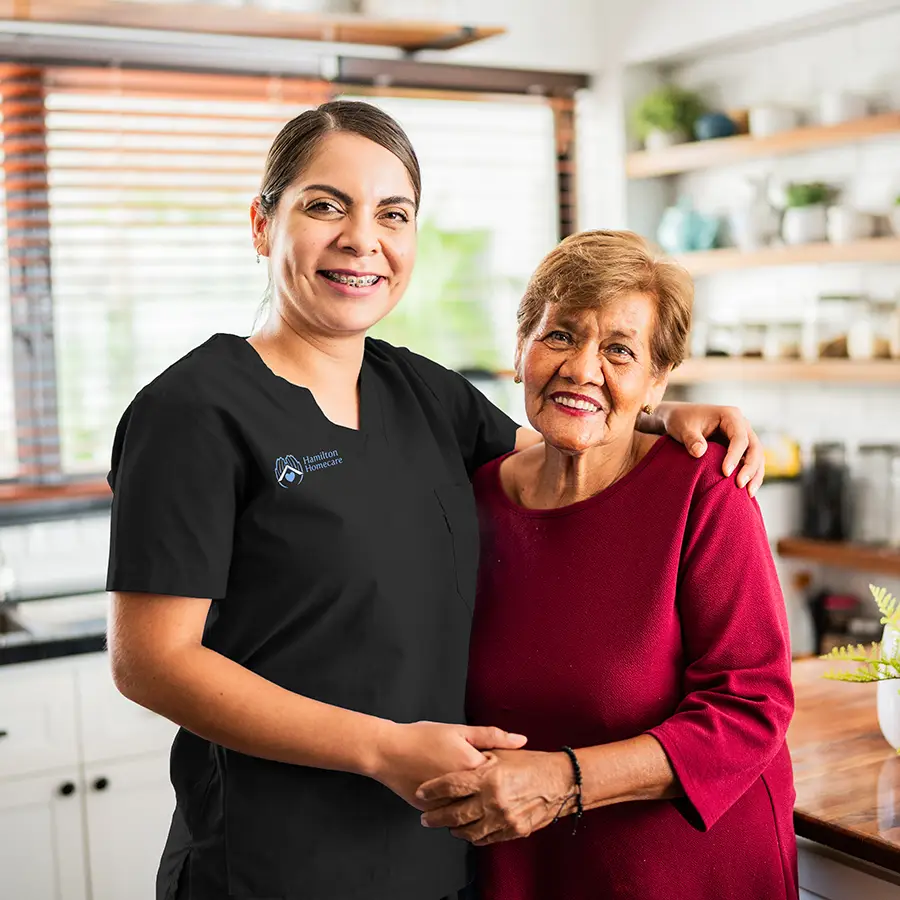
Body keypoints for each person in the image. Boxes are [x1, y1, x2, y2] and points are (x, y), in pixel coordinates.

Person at [105, 102, 766, 900]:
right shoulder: (193, 412)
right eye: (325, 205)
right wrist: (383, 749)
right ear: (261, 224)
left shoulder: (420, 392)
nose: (362, 239)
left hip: (438, 860)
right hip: (271, 863)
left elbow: (560, 442)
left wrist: (658, 414)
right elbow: (150, 662)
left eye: (393, 214)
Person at [417, 230, 797, 900]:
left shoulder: (704, 493)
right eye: (560, 335)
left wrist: (565, 781)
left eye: (619, 350)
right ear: (520, 349)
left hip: (686, 874)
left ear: (656, 381)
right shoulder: (471, 499)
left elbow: (750, 708)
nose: (582, 368)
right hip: (528, 873)